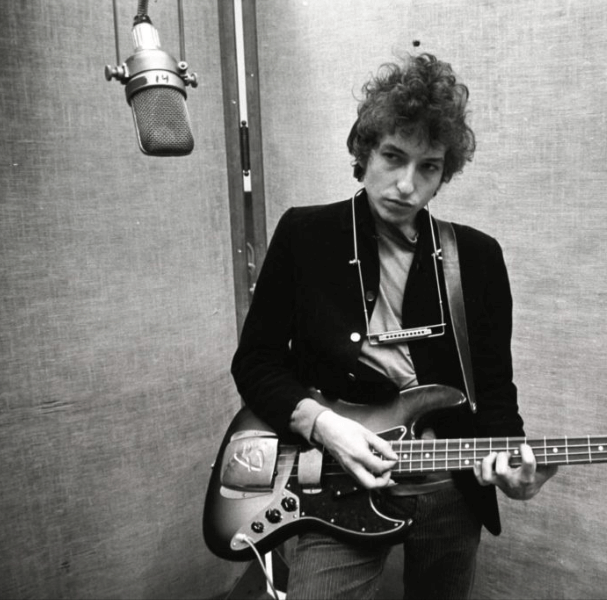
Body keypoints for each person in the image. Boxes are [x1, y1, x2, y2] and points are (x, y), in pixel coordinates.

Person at [231, 52, 556, 599]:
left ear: (443, 172)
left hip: (448, 483)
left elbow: (494, 388)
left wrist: (513, 464)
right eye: (392, 156)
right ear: (365, 152)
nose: (407, 185)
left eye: (428, 166)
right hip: (333, 476)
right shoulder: (305, 235)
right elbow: (256, 360)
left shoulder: (475, 257)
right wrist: (323, 425)